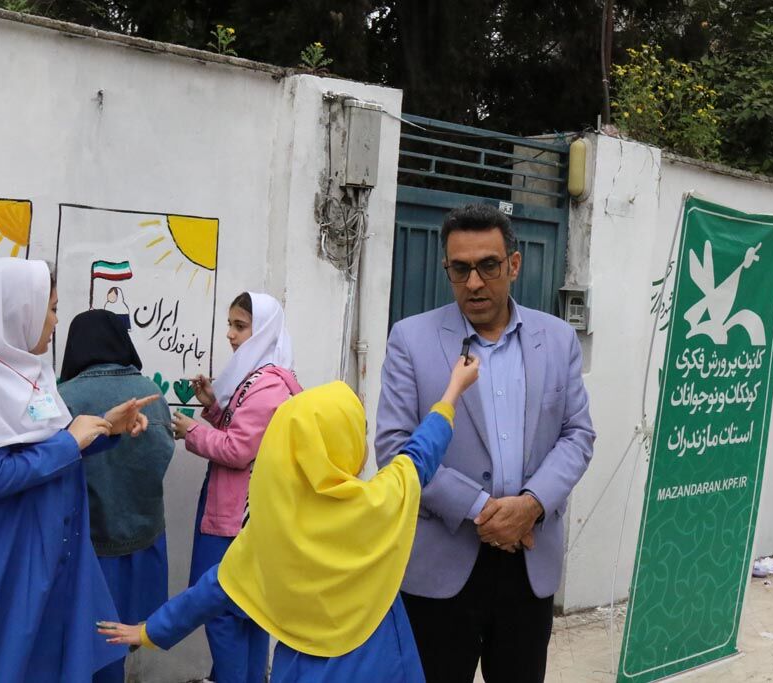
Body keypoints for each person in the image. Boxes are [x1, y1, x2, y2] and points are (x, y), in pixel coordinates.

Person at [98, 357, 481, 681]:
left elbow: (212, 590)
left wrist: (149, 631)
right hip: (382, 665)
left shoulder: (271, 530)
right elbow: (420, 454)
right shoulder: (379, 501)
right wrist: (453, 392)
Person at [376, 203, 595, 682]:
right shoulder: (411, 340)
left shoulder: (558, 339)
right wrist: (481, 509)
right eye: (460, 269)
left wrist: (530, 505)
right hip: (441, 565)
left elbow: (577, 434)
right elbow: (395, 448)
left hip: (529, 559)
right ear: (447, 269)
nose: (474, 283)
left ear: (513, 265)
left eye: (488, 266)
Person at [0, 258, 157, 681]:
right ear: (19, 310)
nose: (55, 321)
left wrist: (105, 428)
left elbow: (47, 446)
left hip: (53, 547)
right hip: (7, 555)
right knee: (4, 657)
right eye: (50, 309)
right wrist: (71, 441)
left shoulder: (32, 372)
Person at [171, 291, 302, 682]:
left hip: (235, 519)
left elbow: (239, 450)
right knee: (250, 612)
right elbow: (248, 435)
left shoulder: (268, 386)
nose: (230, 334)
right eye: (230, 324)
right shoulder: (267, 377)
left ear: (262, 331)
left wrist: (192, 430)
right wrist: (214, 407)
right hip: (250, 514)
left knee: (221, 610)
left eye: (240, 326)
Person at [57, 309, 176, 683]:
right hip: (144, 540)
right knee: (124, 638)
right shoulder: (152, 394)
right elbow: (162, 455)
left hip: (89, 548)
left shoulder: (64, 397)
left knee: (84, 646)